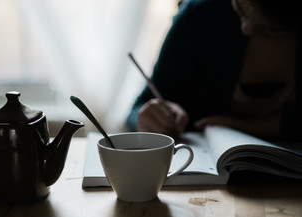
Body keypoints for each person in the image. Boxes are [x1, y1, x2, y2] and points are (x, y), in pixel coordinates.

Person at [126, 0, 302, 140]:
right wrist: (146, 119)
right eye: (239, 7)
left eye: (271, 29)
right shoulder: (199, 17)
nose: (245, 28)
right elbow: (137, 110)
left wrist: (244, 127)